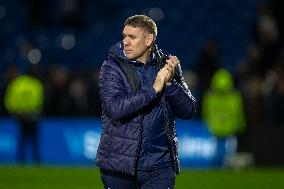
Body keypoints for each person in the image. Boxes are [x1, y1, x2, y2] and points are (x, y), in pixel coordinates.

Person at [95, 15, 198, 189]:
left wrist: (170, 85)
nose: (125, 42)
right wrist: (153, 90)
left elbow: (189, 110)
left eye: (132, 37)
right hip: (119, 166)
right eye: (124, 36)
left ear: (149, 39)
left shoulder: (168, 67)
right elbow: (115, 108)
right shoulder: (112, 68)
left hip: (160, 167)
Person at [4, 66, 44, 164]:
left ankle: (21, 160)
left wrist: (14, 112)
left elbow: (9, 100)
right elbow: (39, 100)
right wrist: (36, 111)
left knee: (22, 139)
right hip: (32, 115)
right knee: (34, 140)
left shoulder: (17, 83)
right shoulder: (36, 84)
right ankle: (36, 160)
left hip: (20, 115)